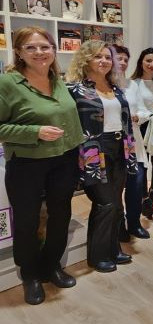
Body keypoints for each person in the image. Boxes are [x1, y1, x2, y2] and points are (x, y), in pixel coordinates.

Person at [0, 27, 84, 305]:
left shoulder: (58, 80)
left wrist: (79, 149)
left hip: (64, 160)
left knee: (60, 215)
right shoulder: (8, 83)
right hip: (27, 163)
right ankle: (31, 275)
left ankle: (51, 266)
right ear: (19, 52)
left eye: (44, 47)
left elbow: (69, 117)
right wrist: (33, 131)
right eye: (31, 48)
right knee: (27, 221)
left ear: (53, 49)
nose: (39, 53)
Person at [66, 41, 138, 274]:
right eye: (98, 56)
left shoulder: (116, 88)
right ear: (86, 59)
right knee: (105, 203)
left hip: (120, 148)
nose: (104, 61)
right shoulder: (75, 90)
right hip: (95, 150)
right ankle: (98, 255)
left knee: (116, 204)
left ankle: (113, 248)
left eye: (108, 57)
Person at [112, 44, 149, 240]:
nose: (123, 62)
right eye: (119, 58)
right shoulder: (103, 85)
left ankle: (134, 223)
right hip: (113, 144)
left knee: (137, 184)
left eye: (126, 59)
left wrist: (138, 117)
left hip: (134, 142)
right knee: (116, 188)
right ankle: (118, 228)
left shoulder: (133, 85)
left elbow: (144, 111)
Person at [130, 48, 153, 219]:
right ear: (141, 62)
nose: (152, 64)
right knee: (142, 164)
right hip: (141, 127)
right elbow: (134, 108)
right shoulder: (133, 83)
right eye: (148, 61)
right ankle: (144, 198)